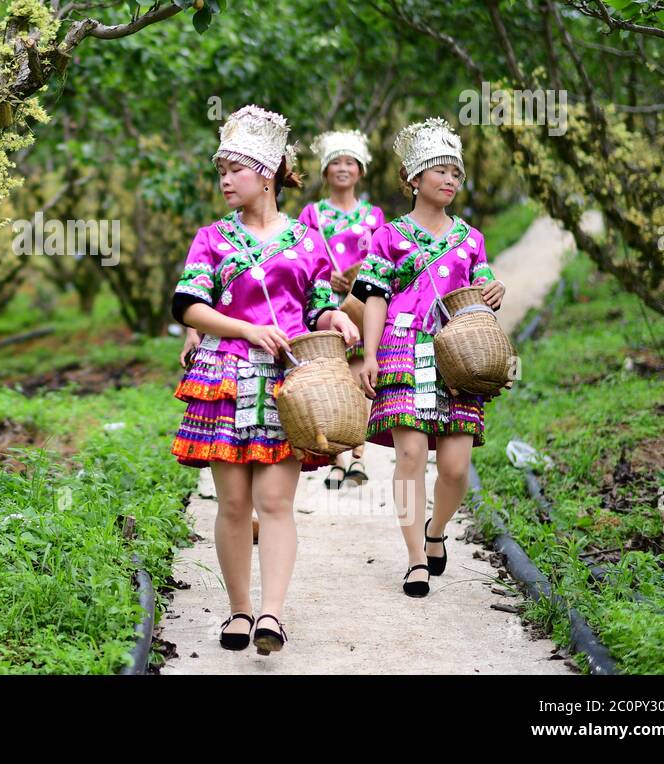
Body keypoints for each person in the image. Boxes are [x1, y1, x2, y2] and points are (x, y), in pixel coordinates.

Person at [170, 105, 360, 653]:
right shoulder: (211, 238)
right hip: (225, 378)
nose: (225, 180)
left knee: (275, 503)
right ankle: (238, 611)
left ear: (269, 171)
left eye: (236, 168)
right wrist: (248, 330)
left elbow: (318, 305)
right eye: (220, 170)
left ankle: (272, 615)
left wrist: (339, 318)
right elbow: (188, 306)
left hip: (287, 385)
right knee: (232, 505)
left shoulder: (306, 241)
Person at [351, 118, 506, 597]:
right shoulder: (389, 236)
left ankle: (436, 529)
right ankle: (416, 557)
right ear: (414, 178)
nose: (450, 180)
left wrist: (492, 290)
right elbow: (373, 297)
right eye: (440, 171)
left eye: (456, 173)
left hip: (458, 355)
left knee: (457, 466)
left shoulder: (471, 238)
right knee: (411, 454)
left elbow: (477, 291)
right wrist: (369, 353)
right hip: (402, 348)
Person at [297, 131, 386, 490]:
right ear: (325, 171)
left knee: (357, 377)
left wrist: (359, 277)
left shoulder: (373, 215)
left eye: (350, 162)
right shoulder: (312, 213)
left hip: (361, 305)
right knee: (332, 378)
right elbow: (302, 256)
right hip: (327, 305)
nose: (343, 168)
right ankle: (338, 458)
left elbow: (384, 259)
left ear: (360, 171)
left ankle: (356, 454)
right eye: (336, 162)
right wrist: (327, 276)